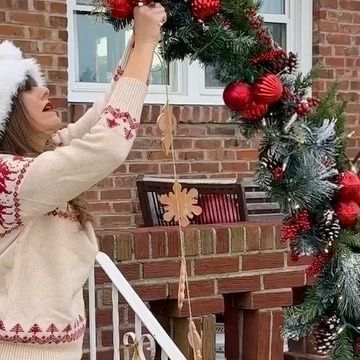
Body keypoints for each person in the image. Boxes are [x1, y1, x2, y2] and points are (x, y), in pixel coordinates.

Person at [0, 2, 167, 359]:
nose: (44, 91)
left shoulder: (42, 158)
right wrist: (147, 45)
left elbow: (104, 114)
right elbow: (107, 146)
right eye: (25, 88)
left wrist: (138, 42)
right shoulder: (7, 179)